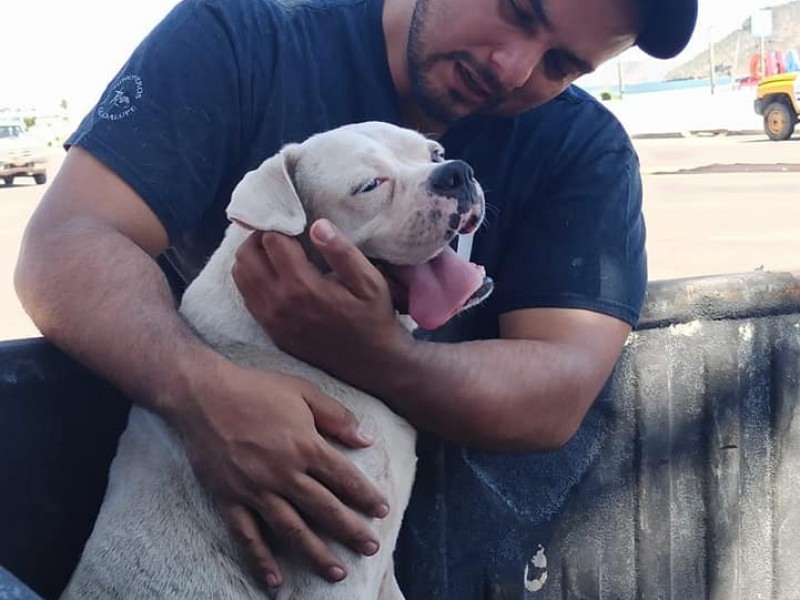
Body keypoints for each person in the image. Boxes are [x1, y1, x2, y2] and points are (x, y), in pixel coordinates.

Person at [14, 0, 697, 596]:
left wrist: (375, 352)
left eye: (562, 65)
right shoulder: (243, 37)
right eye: (519, 10)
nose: (514, 68)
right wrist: (205, 397)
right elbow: (65, 244)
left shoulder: (581, 149)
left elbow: (559, 389)